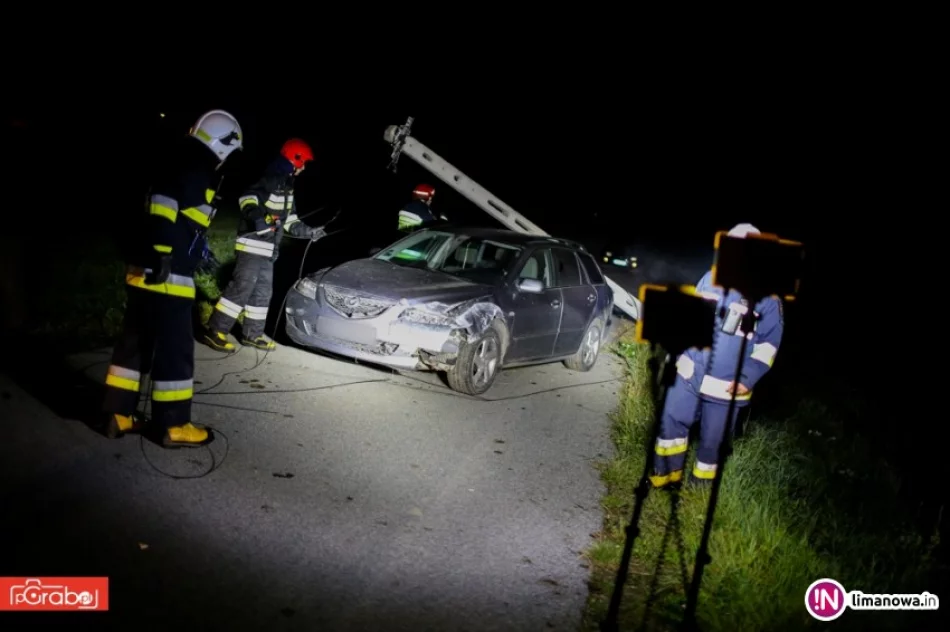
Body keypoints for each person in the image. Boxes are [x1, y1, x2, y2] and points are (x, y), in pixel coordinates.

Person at [102, 109, 243, 447]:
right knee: (174, 350)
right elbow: (166, 203)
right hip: (168, 273)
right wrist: (165, 251)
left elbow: (172, 209)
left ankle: (118, 413)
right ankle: (174, 424)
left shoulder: (175, 157)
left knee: (135, 345)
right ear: (223, 145)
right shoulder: (196, 164)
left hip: (142, 268)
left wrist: (193, 250)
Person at [650, 223, 784, 487]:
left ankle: (699, 488)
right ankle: (665, 477)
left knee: (713, 442)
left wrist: (748, 377)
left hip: (729, 386)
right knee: (671, 421)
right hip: (691, 372)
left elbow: (769, 346)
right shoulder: (710, 278)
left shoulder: (769, 297)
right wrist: (680, 355)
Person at [203, 138, 325, 352]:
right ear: (293, 160)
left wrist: (309, 232)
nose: (304, 168)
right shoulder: (270, 178)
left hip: (268, 251)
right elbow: (247, 199)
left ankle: (252, 335)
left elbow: (290, 221)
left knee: (262, 293)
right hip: (252, 246)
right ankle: (215, 330)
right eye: (302, 162)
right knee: (242, 287)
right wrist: (258, 219)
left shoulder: (288, 187)